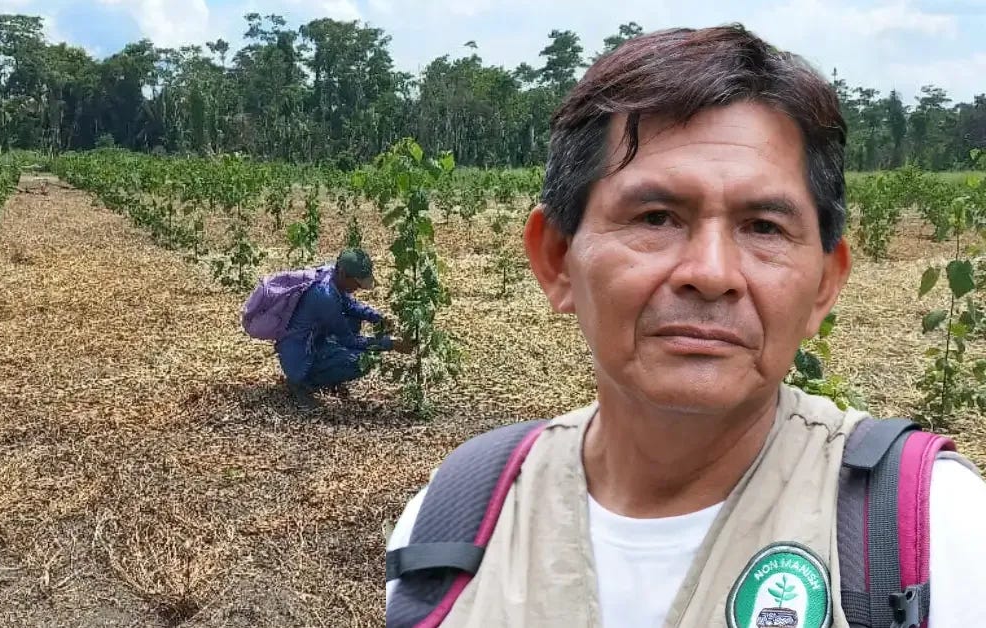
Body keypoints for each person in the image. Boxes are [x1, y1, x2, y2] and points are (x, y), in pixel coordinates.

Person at [385, 25, 986, 627]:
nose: (711, 273)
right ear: (557, 259)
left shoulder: (941, 539)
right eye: (656, 217)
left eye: (764, 227)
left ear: (825, 283)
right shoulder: (451, 529)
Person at [277, 248, 412, 408]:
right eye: (357, 282)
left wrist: (377, 317)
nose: (359, 287)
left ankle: (328, 372)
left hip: (311, 339)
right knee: (361, 361)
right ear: (343, 273)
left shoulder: (330, 275)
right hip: (300, 356)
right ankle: (304, 382)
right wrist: (391, 344)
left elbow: (350, 305)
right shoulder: (324, 295)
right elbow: (349, 340)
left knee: (353, 319)